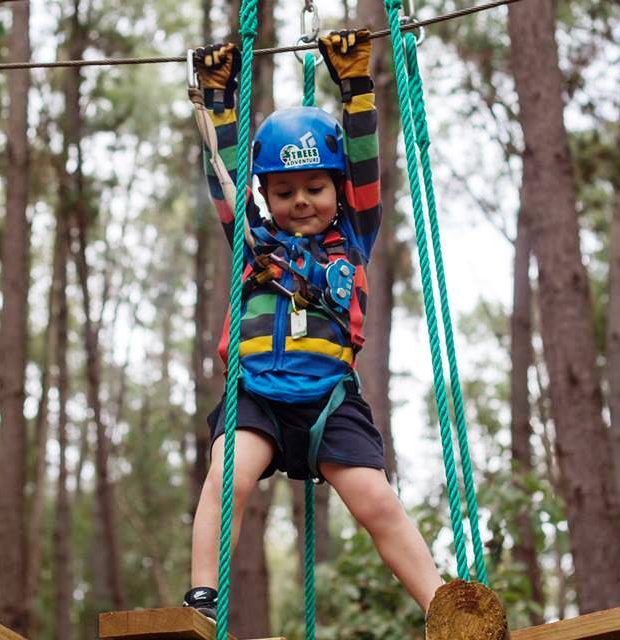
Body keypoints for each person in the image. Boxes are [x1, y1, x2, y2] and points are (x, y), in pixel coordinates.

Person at [183, 30, 444, 622]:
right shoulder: (252, 242)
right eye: (285, 191)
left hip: (329, 399)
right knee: (230, 476)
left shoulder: (353, 237)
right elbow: (223, 182)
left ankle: (441, 604)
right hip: (258, 396)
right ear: (267, 194)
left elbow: (364, 168)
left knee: (376, 499)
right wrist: (219, 106)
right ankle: (201, 596)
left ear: (336, 190)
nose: (301, 200)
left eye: (316, 187)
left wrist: (355, 90)